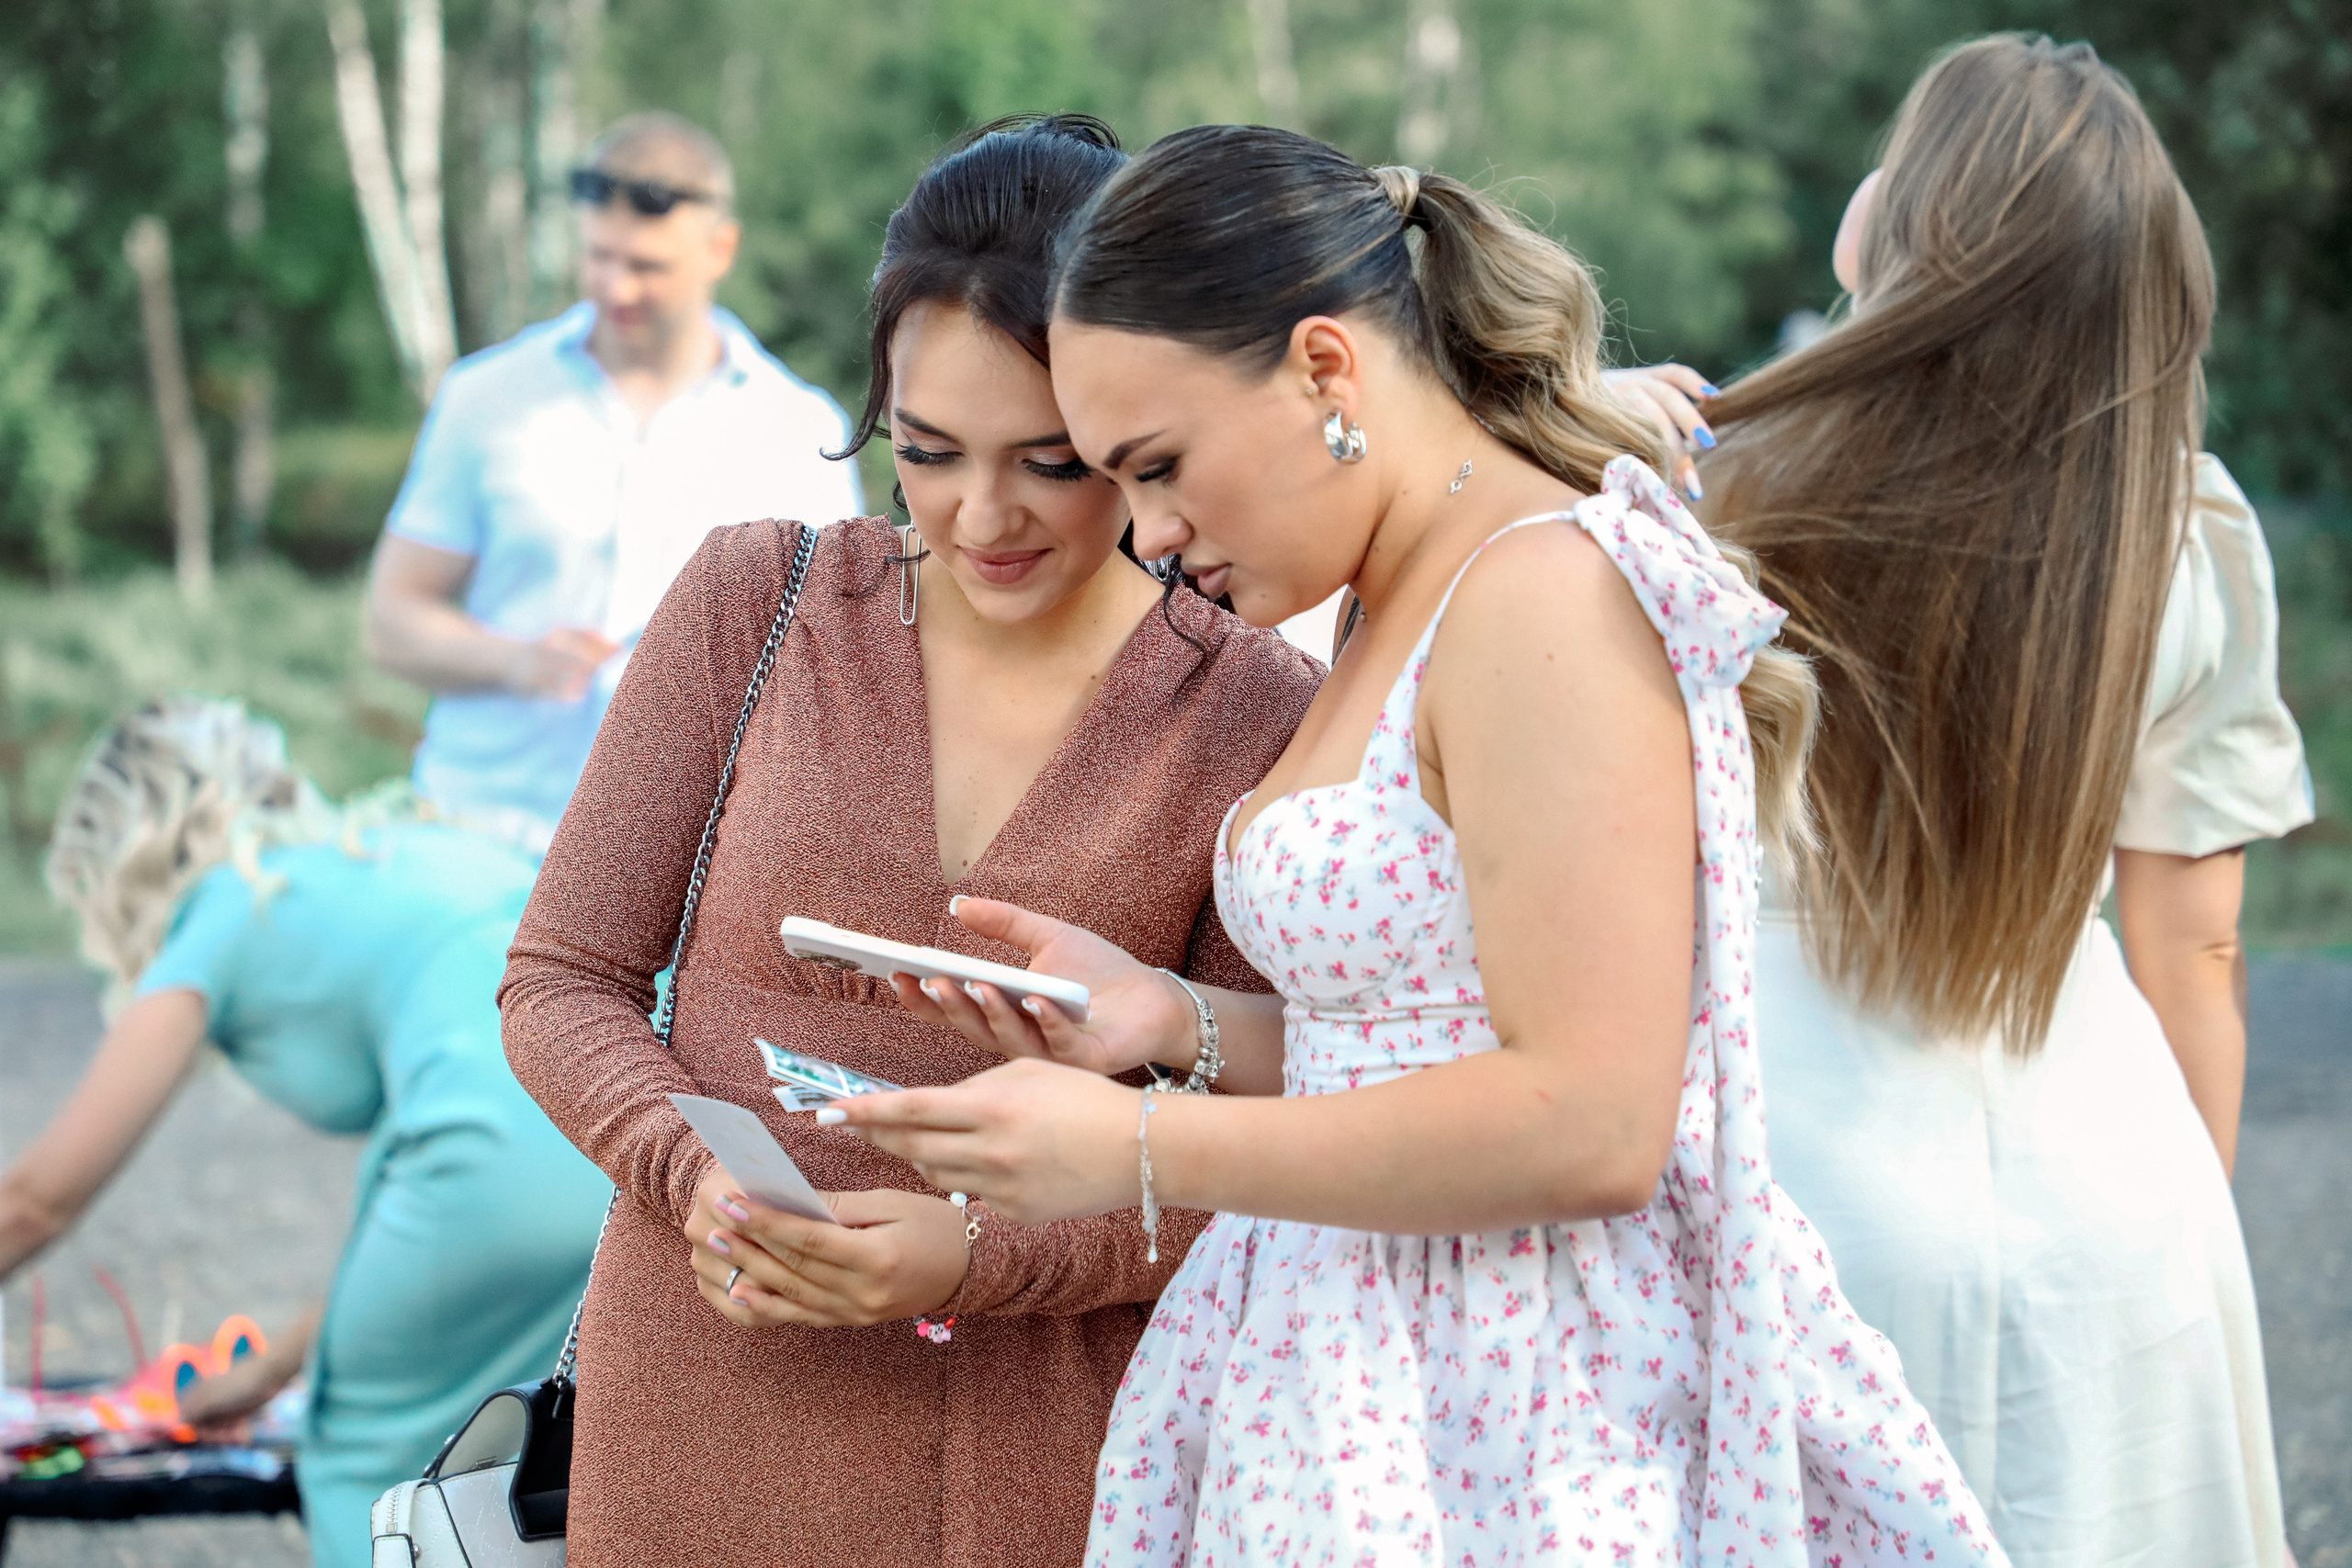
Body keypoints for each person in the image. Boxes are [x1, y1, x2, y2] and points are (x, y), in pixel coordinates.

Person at [834, 125, 2004, 1566]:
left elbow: (1592, 1122)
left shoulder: (1539, 597)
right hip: (1373, 1372)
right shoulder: (1391, 594)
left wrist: (1140, 1142)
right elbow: (1429, 1037)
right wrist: (1177, 1018)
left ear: (1327, 368)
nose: (1145, 530)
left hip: (1531, 1405)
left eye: (1159, 463)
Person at [496, 115, 1325, 1568]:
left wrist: (976, 1256)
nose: (979, 513)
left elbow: (1267, 1153)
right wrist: (697, 1173)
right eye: (928, 449)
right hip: (700, 1388)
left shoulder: (1250, 697)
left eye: (1051, 462)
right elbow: (561, 974)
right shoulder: (756, 602)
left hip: (1036, 1435)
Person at [1606, 36, 2309, 1568]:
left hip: (1790, 1168)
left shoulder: (1699, 497)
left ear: (1894, 228)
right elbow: (2197, 954)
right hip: (2113, 1180)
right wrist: (2181, 1249)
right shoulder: (2181, 526)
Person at [0, 698, 611, 1568]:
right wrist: (267, 1372)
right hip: (612, 1145)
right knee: (511, 1459)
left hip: (496, 1166)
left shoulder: (222, 907)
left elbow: (37, 1198)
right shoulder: (402, 847)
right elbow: (408, 1228)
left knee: (365, 1453)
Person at [363, 111, 863, 852]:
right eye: (598, 256)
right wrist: (517, 661)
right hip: (472, 835)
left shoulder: (802, 430)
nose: (615, 285)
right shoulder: (485, 396)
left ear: (719, 249)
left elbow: (841, 664)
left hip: (686, 867)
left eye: (647, 266)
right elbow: (391, 622)